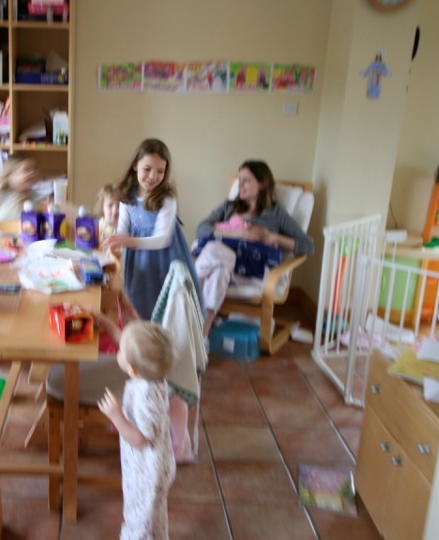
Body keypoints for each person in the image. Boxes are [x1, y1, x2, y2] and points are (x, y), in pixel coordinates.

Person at [194, 160, 314, 339]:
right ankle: (201, 336)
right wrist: (235, 233)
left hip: (249, 272)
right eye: (239, 179)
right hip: (221, 267)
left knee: (211, 249)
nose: (239, 185)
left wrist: (274, 238)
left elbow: (308, 246)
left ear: (262, 184)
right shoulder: (229, 205)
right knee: (219, 271)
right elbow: (201, 228)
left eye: (245, 180)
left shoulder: (275, 213)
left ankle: (187, 294)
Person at [101, 138, 202, 320]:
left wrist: (128, 241)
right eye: (147, 169)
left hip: (168, 258)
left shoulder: (166, 198)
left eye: (160, 171)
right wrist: (115, 242)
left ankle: (174, 342)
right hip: (139, 260)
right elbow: (123, 230)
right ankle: (145, 341)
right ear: (135, 165)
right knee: (141, 302)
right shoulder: (126, 196)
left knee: (169, 305)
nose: (153, 176)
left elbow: (162, 239)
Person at [97, 320, 176, 540]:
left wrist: (117, 416)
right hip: (157, 465)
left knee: (138, 519)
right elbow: (127, 342)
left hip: (147, 471)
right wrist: (104, 320)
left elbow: (141, 439)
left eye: (120, 350)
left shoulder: (146, 395)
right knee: (154, 515)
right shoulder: (152, 377)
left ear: (132, 369)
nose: (118, 349)